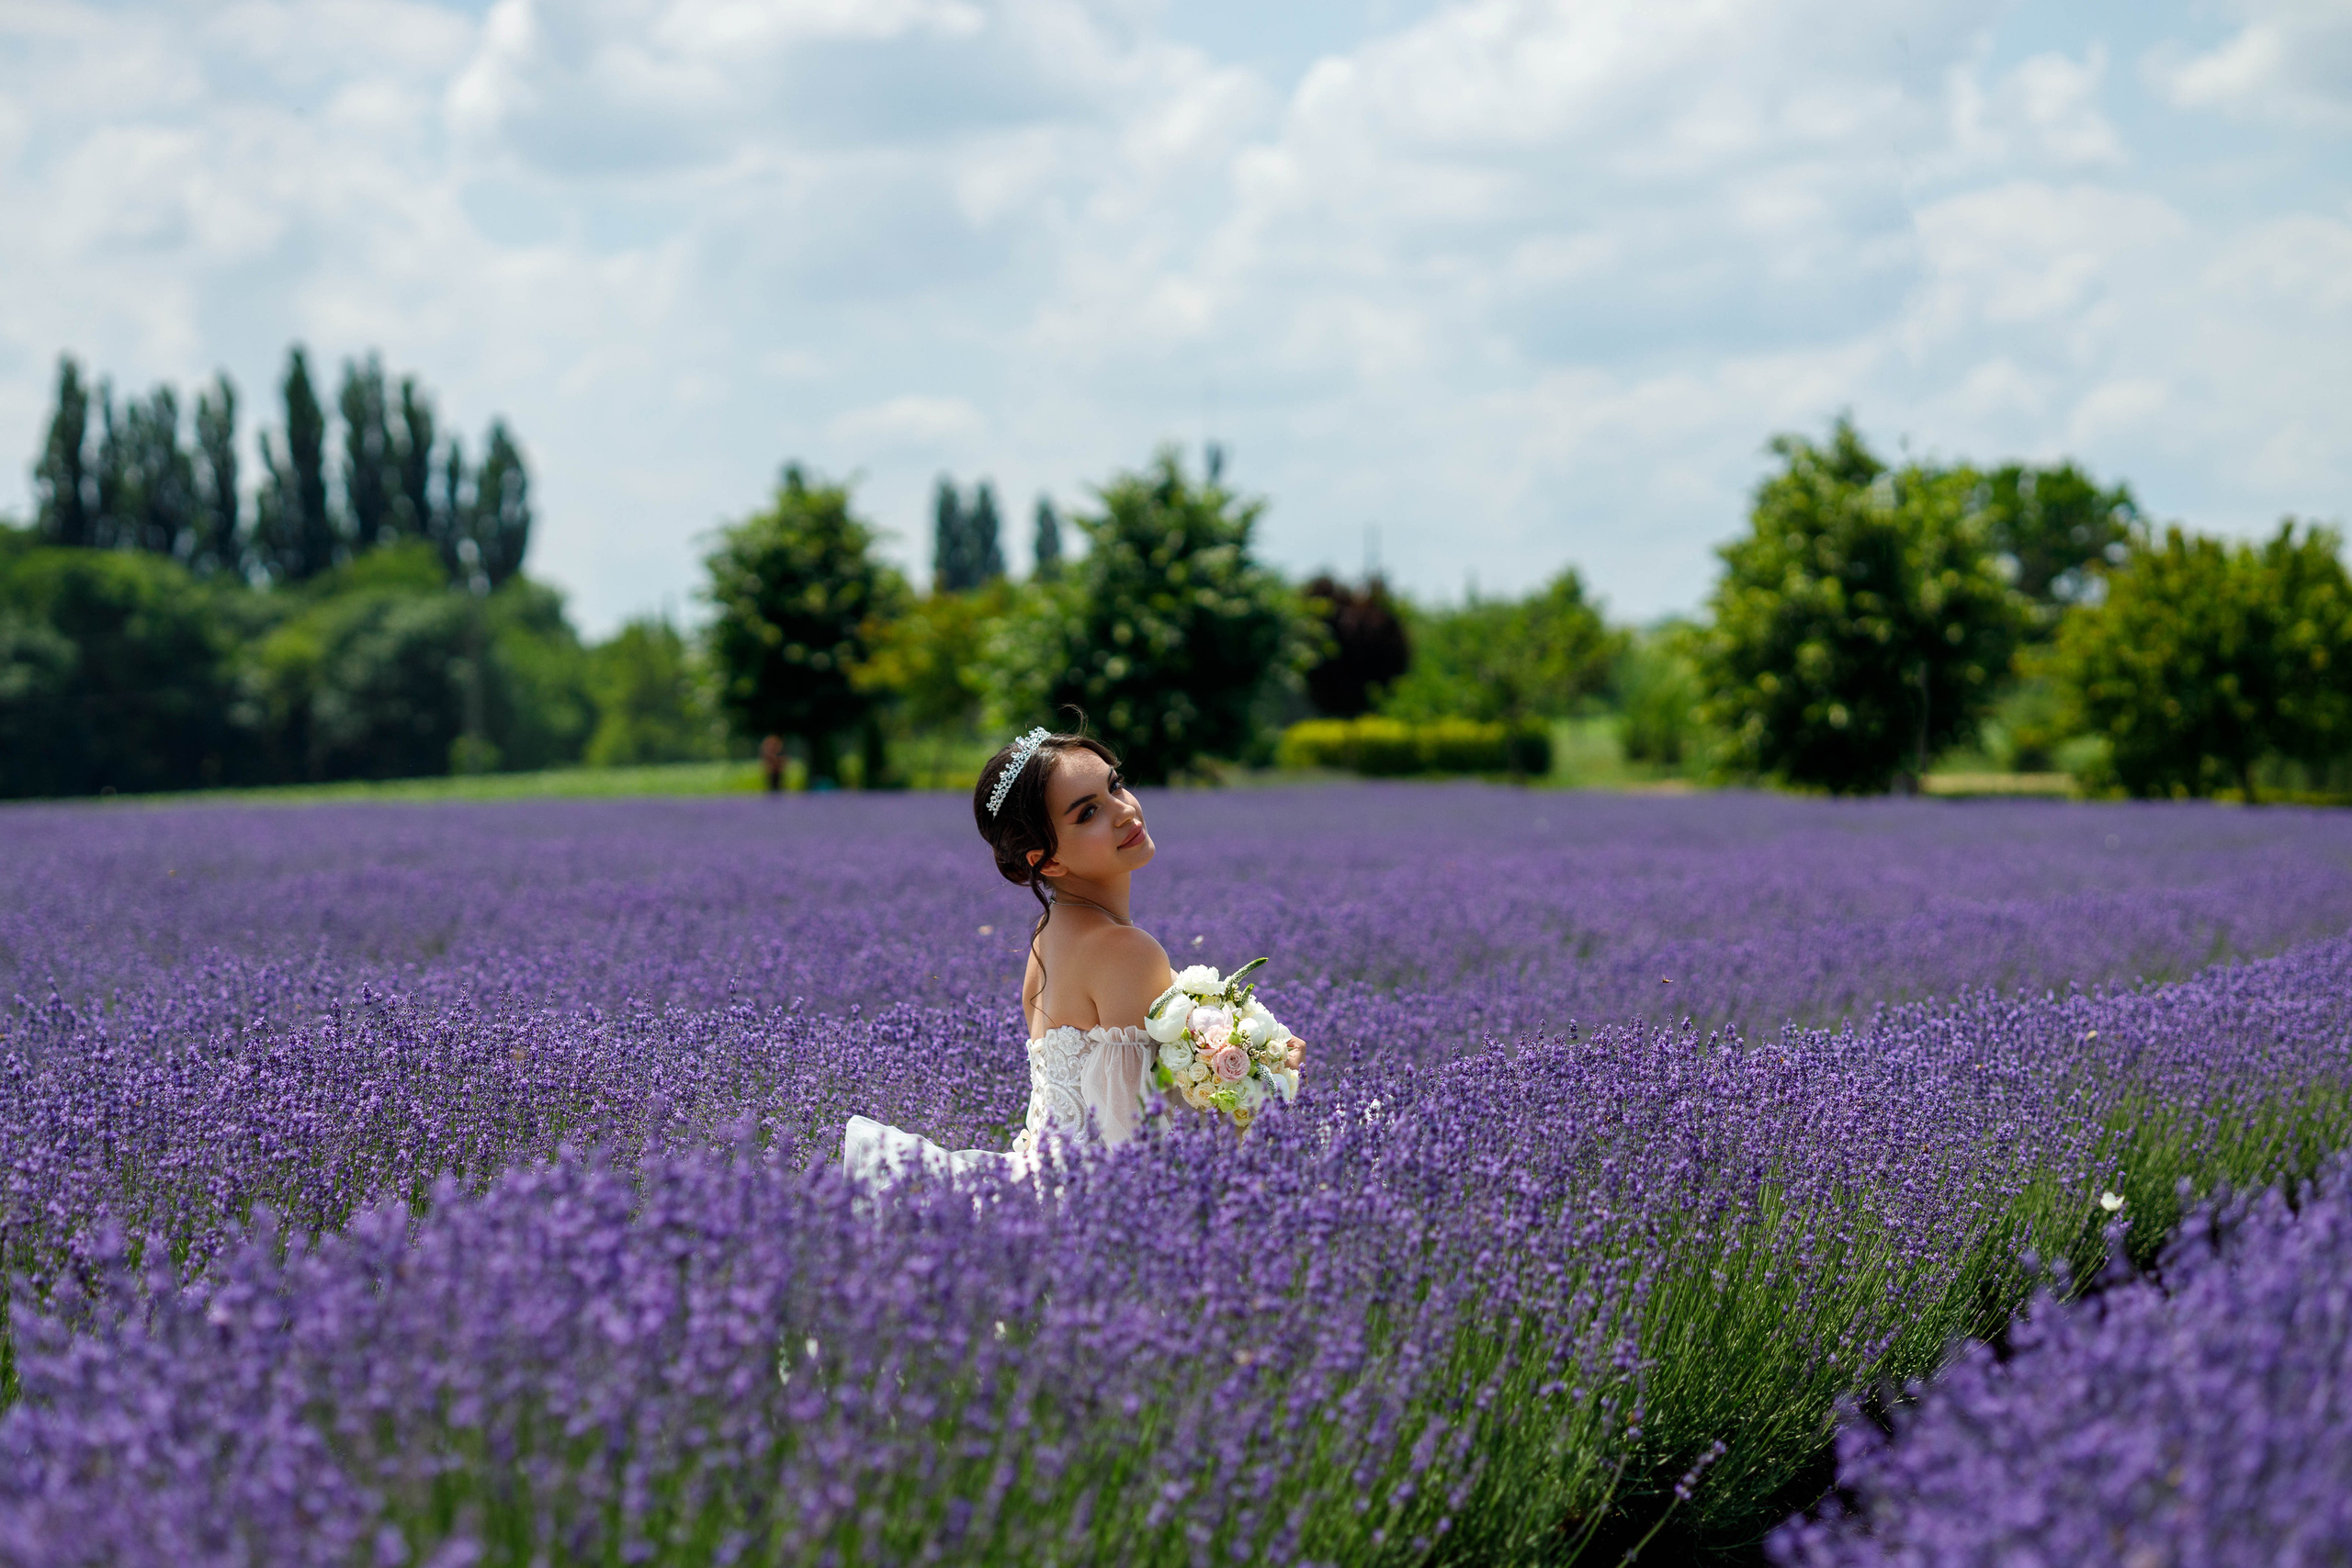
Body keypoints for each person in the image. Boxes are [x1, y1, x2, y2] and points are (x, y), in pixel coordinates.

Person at [842, 727, 1301, 1183]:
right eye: (1088, 814)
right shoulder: (1124, 951)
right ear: (1049, 862)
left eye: (1114, 785)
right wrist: (1258, 1087)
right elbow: (1141, 1152)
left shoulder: (1048, 937)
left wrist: (1251, 1063)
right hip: (1086, 1212)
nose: (1124, 812)